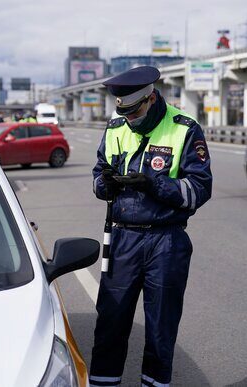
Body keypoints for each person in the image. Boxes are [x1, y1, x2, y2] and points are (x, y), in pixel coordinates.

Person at [90, 66, 213, 387]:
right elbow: (98, 174)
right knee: (110, 325)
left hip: (166, 241)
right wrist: (105, 184)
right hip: (122, 238)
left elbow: (199, 190)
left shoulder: (184, 128)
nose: (129, 119)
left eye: (134, 111)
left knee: (161, 329)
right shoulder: (116, 126)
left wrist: (153, 185)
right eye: (124, 112)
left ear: (151, 97)